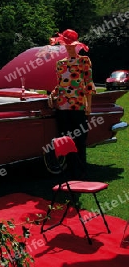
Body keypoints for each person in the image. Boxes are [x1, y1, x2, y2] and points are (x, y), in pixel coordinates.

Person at [49, 29, 96, 178]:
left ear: (76, 46)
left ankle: (81, 172)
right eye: (66, 45)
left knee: (80, 139)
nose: (69, 48)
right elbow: (60, 84)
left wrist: (89, 104)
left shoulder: (84, 61)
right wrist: (53, 94)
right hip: (62, 105)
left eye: (71, 45)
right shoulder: (60, 63)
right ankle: (70, 170)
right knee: (65, 139)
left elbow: (88, 82)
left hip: (78, 105)